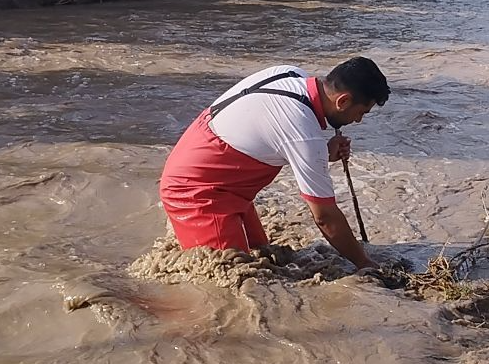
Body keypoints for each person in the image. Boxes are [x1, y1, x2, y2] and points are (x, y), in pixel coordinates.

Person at [159, 57, 389, 269]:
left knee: (264, 256)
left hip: (214, 172)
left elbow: (271, 135)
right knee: (232, 276)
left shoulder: (290, 74)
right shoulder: (303, 133)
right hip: (195, 190)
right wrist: (363, 262)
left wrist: (322, 153)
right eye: (362, 112)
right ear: (343, 101)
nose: (357, 120)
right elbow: (324, 216)